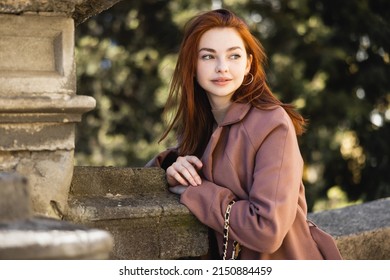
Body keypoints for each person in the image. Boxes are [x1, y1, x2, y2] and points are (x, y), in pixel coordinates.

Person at [146, 8, 339, 260]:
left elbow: (267, 230)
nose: (222, 68)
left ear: (248, 64)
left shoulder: (272, 123)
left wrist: (194, 192)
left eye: (234, 56)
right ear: (192, 65)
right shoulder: (198, 126)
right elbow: (143, 184)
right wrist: (173, 169)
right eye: (208, 57)